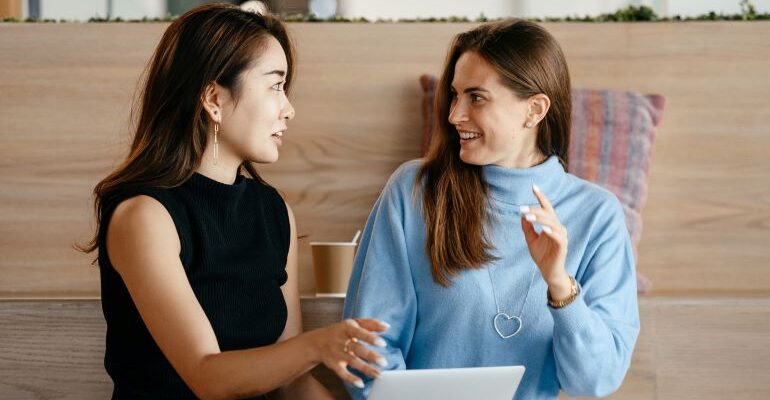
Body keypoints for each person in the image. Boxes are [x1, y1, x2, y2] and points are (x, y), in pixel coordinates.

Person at [79, 4, 387, 399]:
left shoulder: (274, 212)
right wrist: (317, 345)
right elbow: (206, 376)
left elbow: (289, 379)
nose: (288, 109)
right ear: (212, 98)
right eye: (275, 85)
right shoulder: (145, 216)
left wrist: (310, 355)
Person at [343, 19, 639, 399]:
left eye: (476, 97)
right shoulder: (414, 190)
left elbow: (595, 380)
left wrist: (560, 286)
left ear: (534, 110)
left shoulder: (598, 216)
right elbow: (367, 351)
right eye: (454, 95)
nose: (454, 115)